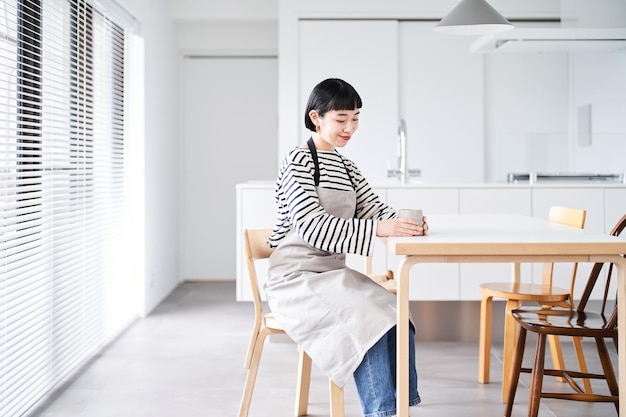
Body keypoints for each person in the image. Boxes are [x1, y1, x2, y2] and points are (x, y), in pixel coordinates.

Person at [265, 78, 427, 417]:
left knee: (397, 314)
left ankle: (399, 407)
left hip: (332, 274)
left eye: (355, 118)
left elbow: (374, 210)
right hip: (296, 280)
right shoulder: (297, 160)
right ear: (316, 117)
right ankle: (380, 413)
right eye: (341, 119)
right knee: (368, 317)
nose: (350, 128)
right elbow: (312, 227)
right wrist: (382, 227)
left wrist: (407, 222)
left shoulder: (346, 166)